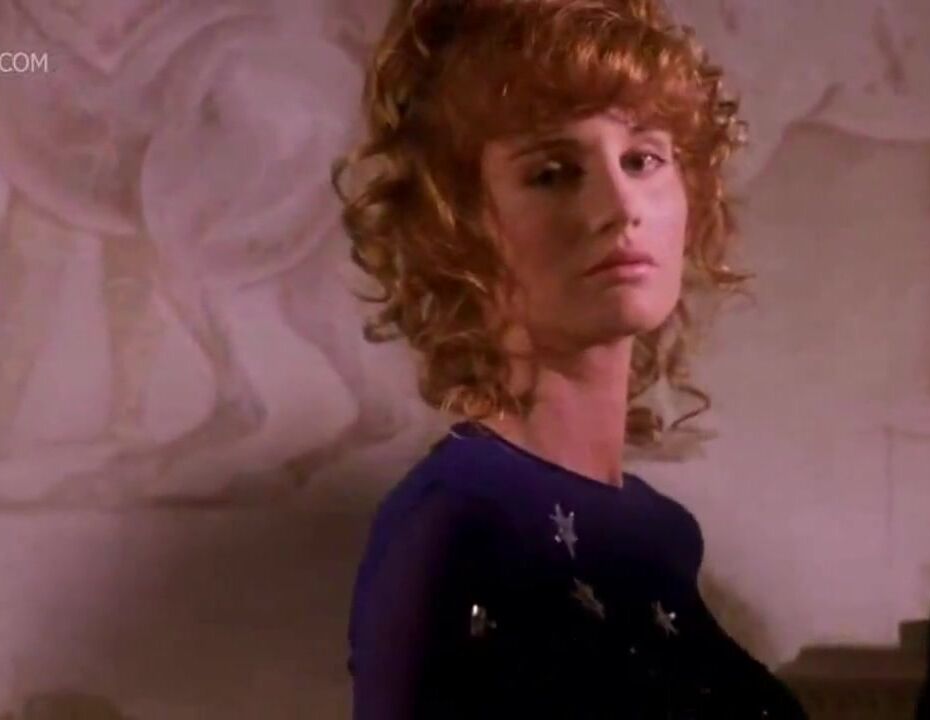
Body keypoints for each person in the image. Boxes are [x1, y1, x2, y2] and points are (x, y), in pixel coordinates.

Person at [333, 1, 807, 717]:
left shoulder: (659, 533)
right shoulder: (455, 524)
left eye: (643, 159)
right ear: (456, 225)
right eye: (553, 173)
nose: (620, 205)